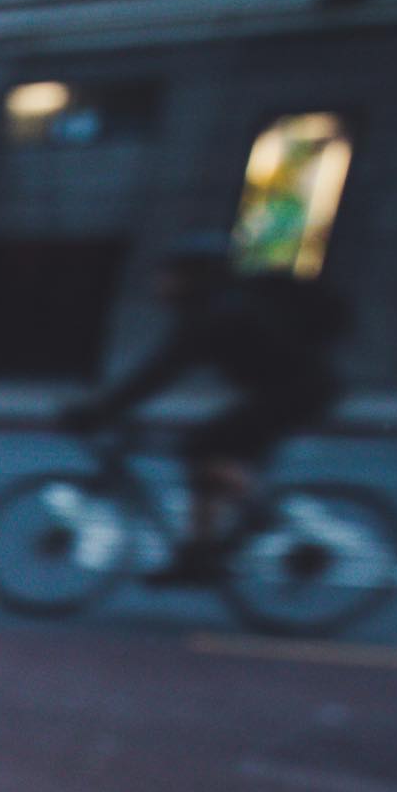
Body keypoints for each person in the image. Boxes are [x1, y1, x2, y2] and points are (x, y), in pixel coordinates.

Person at [59, 236, 348, 582]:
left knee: (206, 445)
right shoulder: (215, 308)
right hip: (286, 390)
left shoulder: (218, 313)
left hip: (302, 392)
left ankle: (257, 518)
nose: (158, 283)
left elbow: (160, 371)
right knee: (208, 454)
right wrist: (105, 408)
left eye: (167, 275)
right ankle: (199, 556)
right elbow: (160, 369)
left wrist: (100, 410)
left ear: (192, 277)